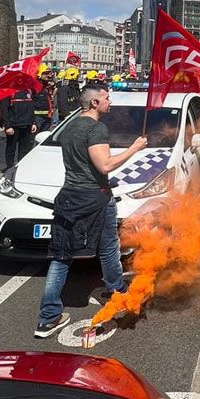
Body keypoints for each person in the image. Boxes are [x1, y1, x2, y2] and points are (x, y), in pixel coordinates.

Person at [35, 84, 148, 338]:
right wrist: (134, 149)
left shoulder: (70, 124)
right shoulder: (96, 128)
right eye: (107, 98)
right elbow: (104, 165)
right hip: (95, 198)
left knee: (61, 256)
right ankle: (118, 291)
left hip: (68, 197)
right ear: (95, 103)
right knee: (108, 248)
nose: (111, 102)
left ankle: (47, 317)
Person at [0, 87, 38, 170]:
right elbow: (4, 110)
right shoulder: (8, 91)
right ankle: (10, 167)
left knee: (24, 148)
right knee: (11, 148)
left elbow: (31, 108)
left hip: (27, 124)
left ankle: (21, 167)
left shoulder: (28, 90)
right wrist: (7, 126)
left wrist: (33, 122)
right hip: (14, 125)